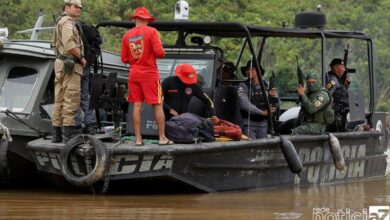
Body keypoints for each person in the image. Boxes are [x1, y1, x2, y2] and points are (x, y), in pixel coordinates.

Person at [121, 7, 172, 146]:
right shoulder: (152, 32)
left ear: (135, 19)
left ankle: (138, 139)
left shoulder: (127, 36)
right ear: (146, 20)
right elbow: (160, 53)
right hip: (149, 74)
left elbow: (124, 59)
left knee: (137, 106)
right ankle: (162, 138)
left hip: (134, 74)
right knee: (157, 104)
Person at [52, 0, 86, 143]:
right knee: (70, 98)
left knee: (59, 98)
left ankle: (57, 135)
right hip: (70, 63)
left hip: (61, 62)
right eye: (75, 7)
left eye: (80, 7)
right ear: (67, 7)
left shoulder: (61, 21)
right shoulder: (68, 23)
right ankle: (68, 137)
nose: (79, 9)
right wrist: (81, 57)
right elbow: (69, 44)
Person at [237, 60, 279, 139]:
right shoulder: (243, 85)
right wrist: (262, 113)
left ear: (258, 71)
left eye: (252, 69)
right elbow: (244, 104)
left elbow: (277, 104)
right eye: (247, 69)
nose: (249, 71)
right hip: (249, 124)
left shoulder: (267, 85)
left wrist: (274, 97)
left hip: (264, 124)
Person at [326, 58, 350, 132]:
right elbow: (327, 94)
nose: (344, 69)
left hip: (340, 116)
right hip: (335, 117)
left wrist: (346, 86)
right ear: (336, 68)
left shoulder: (337, 79)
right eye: (342, 67)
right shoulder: (333, 80)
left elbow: (340, 94)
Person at [74, 66, 96, 135]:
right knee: (85, 96)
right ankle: (90, 126)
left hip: (76, 66)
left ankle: (77, 127)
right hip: (86, 67)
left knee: (74, 96)